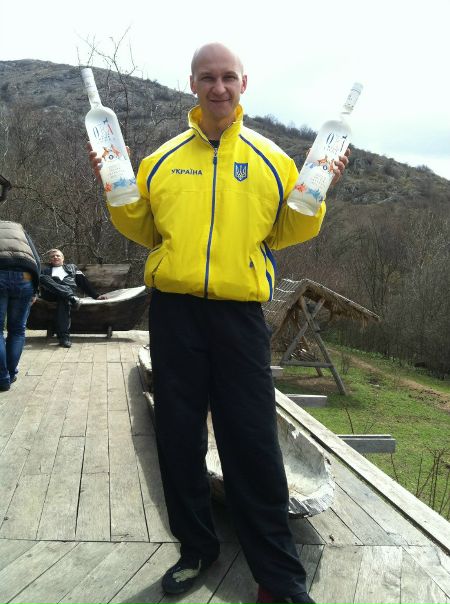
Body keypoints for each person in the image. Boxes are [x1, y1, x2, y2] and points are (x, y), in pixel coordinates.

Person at [89, 42, 349, 604]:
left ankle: (278, 578)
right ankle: (196, 549)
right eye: (207, 77)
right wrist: (114, 186)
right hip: (176, 312)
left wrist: (320, 191)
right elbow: (143, 227)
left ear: (243, 84)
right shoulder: (160, 160)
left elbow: (289, 229)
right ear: (192, 84)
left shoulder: (272, 160)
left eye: (228, 77)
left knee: (252, 441)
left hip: (239, 316)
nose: (218, 87)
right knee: (178, 436)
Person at [0, 220, 40, 392]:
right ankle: (10, 374)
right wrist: (35, 290)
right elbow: (36, 259)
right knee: (17, 330)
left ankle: (2, 378)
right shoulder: (19, 229)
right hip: (25, 276)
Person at [39, 249, 105, 348]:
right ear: (50, 260)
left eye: (57, 255)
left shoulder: (72, 267)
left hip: (64, 296)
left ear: (63, 258)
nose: (55, 257)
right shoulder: (45, 271)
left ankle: (64, 338)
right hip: (51, 294)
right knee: (42, 277)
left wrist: (96, 295)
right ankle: (71, 297)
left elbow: (83, 282)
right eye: (52, 256)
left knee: (63, 299)